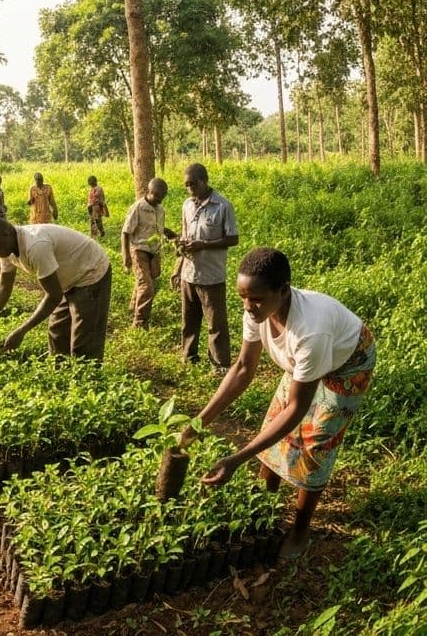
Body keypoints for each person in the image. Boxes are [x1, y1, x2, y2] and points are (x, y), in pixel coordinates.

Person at [179, 247, 376, 560]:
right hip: (303, 363)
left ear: (283, 290)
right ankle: (264, 505)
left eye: (255, 298)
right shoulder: (256, 311)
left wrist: (236, 458)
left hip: (348, 363)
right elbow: (243, 368)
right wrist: (198, 423)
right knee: (273, 427)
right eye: (243, 297)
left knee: (314, 442)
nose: (248, 306)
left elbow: (297, 409)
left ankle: (299, 531)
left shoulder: (310, 330)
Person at [0, 217, 112, 360]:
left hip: (91, 271)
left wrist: (22, 331)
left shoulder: (35, 246)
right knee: (57, 333)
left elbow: (53, 296)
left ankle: (87, 380)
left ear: (6, 234)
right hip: (68, 278)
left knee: (84, 342)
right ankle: (60, 377)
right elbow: (3, 289)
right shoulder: (6, 249)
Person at [178, 163, 238, 372]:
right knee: (189, 320)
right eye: (186, 185)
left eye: (192, 184)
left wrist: (204, 245)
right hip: (189, 272)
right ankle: (189, 356)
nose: (189, 189)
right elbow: (184, 234)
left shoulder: (222, 206)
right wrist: (181, 248)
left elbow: (232, 238)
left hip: (211, 275)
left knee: (216, 323)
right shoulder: (187, 205)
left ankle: (220, 364)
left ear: (204, 181)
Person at [121, 178, 178, 328]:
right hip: (139, 249)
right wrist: (126, 255)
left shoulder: (160, 209)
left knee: (150, 279)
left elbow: (158, 229)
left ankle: (133, 307)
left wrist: (172, 235)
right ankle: (140, 323)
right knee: (146, 285)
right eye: (157, 195)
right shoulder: (137, 207)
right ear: (149, 192)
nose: (160, 199)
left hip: (154, 250)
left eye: (163, 196)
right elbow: (126, 232)